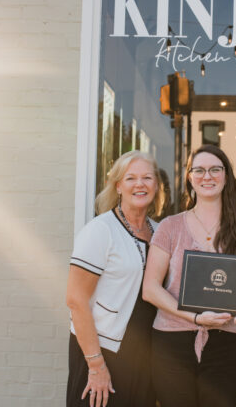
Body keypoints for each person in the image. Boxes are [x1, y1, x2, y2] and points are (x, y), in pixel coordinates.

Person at [143, 144, 236, 407]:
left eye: (214, 169)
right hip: (172, 342)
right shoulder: (170, 226)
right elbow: (150, 289)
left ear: (226, 176)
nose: (206, 176)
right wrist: (196, 317)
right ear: (189, 178)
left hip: (226, 343)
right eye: (198, 170)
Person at [66, 150, 164, 407]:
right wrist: (95, 363)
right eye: (131, 178)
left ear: (156, 185)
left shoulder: (160, 231)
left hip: (144, 354)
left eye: (147, 177)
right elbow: (76, 300)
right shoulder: (100, 230)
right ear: (118, 186)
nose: (140, 184)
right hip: (103, 350)